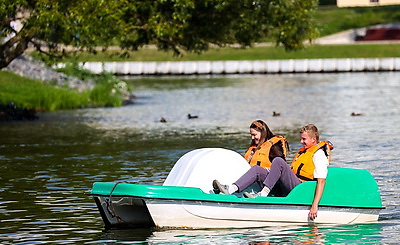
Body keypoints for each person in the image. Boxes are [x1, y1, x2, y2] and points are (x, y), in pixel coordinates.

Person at [214, 124, 333, 221]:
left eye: (304, 139)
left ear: (313, 139)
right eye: (301, 138)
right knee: (257, 170)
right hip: (290, 186)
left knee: (279, 161)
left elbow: (321, 182)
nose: (301, 142)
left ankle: (263, 195)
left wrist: (314, 205)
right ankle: (230, 190)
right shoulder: (303, 152)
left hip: (301, 190)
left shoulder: (318, 154)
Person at [213, 119, 288, 195]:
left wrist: (269, 169)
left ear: (263, 133)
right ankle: (227, 189)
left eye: (254, 135)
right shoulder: (254, 148)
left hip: (274, 186)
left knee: (256, 169)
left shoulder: (274, 147)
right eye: (251, 135)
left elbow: (281, 167)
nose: (252, 138)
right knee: (252, 169)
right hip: (259, 182)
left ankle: (230, 190)